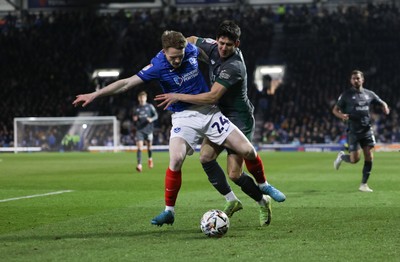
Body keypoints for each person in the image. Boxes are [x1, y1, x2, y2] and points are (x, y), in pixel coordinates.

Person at [72, 30, 271, 227]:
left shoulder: (191, 50)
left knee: (245, 151)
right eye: (173, 58)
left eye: (180, 56)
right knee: (176, 159)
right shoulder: (157, 65)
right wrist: (94, 95)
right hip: (182, 118)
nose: (177, 61)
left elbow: (204, 49)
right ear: (164, 52)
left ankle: (263, 190)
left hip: (208, 112)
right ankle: (170, 211)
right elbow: (126, 83)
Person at [155, 21, 286, 212]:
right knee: (206, 157)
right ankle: (233, 200)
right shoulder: (212, 46)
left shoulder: (234, 66)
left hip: (239, 117)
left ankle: (263, 194)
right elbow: (190, 40)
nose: (224, 48)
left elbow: (212, 96)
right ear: (216, 40)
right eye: (221, 43)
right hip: (219, 114)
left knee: (234, 173)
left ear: (237, 45)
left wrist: (177, 96)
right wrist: (179, 53)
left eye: (229, 45)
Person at [332, 70, 390, 192]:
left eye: (358, 78)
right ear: (351, 80)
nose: (356, 80)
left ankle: (363, 184)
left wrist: (385, 106)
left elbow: (381, 101)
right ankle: (342, 157)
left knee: (369, 156)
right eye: (353, 78)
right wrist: (342, 115)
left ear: (362, 80)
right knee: (355, 160)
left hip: (367, 130)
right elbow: (335, 110)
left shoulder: (369, 94)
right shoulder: (346, 95)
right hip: (353, 131)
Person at [132, 91, 158, 172]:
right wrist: (135, 119)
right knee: (139, 147)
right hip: (140, 130)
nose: (142, 99)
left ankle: (150, 159)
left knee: (149, 147)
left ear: (146, 98)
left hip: (149, 129)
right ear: (138, 98)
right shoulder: (136, 108)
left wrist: (151, 119)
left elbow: (156, 115)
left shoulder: (150, 106)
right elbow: (134, 118)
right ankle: (139, 165)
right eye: (141, 97)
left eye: (143, 97)